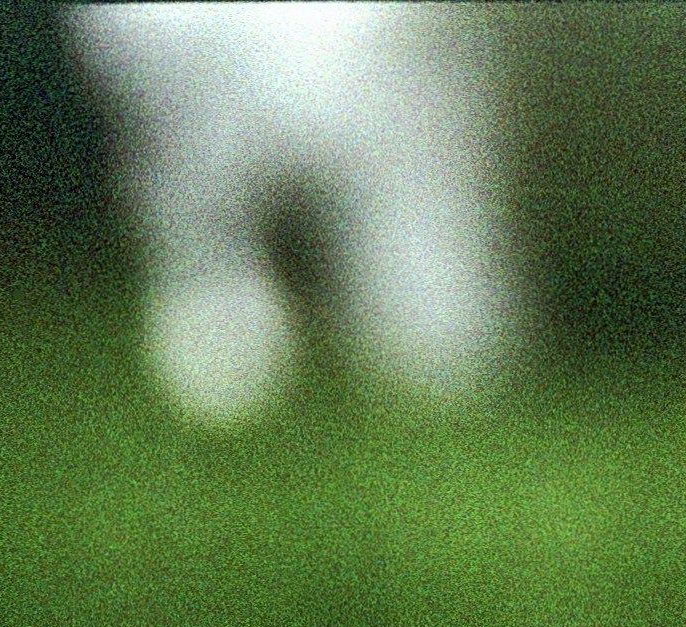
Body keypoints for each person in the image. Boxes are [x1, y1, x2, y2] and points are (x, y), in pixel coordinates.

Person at [66, 3, 518, 424]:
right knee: (206, 208)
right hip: (208, 48)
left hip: (365, 51)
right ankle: (221, 356)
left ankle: (433, 354)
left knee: (408, 200)